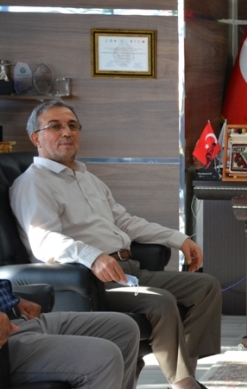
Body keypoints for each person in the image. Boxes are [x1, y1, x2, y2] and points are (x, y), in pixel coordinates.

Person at [10, 100, 222, 389]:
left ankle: (187, 375)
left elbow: (126, 222)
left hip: (129, 269)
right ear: (36, 138)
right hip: (91, 281)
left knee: (205, 286)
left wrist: (178, 238)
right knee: (160, 301)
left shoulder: (87, 178)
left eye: (73, 126)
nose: (67, 132)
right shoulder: (33, 183)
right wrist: (93, 257)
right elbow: (44, 240)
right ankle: (184, 384)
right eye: (55, 126)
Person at [0, 278, 140, 388]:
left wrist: (13, 298)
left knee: (124, 328)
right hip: (5, 341)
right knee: (104, 356)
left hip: (18, 316)